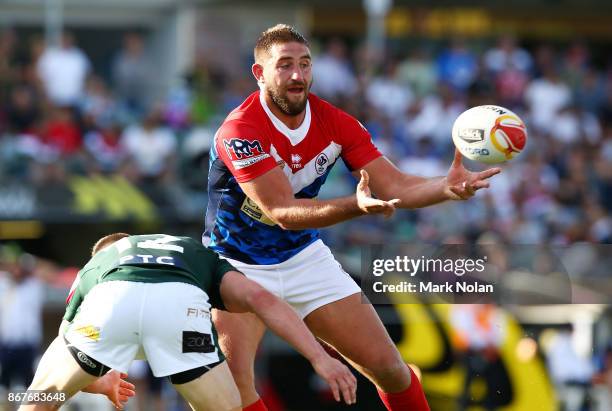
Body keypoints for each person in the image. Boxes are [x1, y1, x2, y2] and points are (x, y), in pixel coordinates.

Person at [204, 24, 500, 411]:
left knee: (390, 369)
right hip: (236, 264)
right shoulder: (239, 131)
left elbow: (393, 184)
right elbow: (283, 213)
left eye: (306, 64)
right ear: (260, 73)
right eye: (285, 65)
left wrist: (445, 186)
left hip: (302, 258)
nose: (298, 75)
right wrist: (354, 206)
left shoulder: (337, 123)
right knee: (236, 389)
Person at [21, 233, 356, 411]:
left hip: (110, 302)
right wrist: (319, 357)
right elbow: (263, 300)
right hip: (180, 309)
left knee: (38, 398)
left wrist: (93, 380)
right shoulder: (192, 250)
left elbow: (67, 346)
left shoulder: (96, 266)